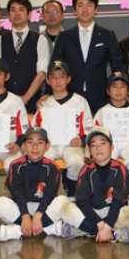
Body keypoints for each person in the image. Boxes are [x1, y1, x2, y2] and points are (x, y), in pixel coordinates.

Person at [49, 0, 125, 114]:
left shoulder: (107, 35)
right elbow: (55, 66)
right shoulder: (64, 37)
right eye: (80, 5)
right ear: (74, 10)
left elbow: (118, 65)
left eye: (89, 5)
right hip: (70, 97)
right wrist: (48, 93)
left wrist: (122, 91)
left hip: (100, 97)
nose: (85, 9)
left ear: (96, 9)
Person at [60, 127, 129, 243]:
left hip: (113, 211)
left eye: (103, 143)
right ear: (89, 151)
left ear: (112, 147)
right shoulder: (86, 169)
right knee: (66, 209)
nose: (98, 148)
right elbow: (81, 200)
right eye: (93, 145)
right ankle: (115, 233)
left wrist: (107, 225)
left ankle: (86, 230)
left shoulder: (119, 169)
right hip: (92, 212)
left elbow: (118, 200)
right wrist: (100, 224)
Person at [0, 126, 71, 241]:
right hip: (21, 208)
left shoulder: (52, 167)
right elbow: (17, 193)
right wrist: (25, 216)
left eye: (40, 142)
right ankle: (48, 229)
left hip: (44, 209)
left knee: (64, 201)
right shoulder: (15, 165)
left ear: (47, 146)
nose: (35, 146)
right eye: (30, 142)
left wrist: (38, 216)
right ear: (23, 146)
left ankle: (17, 231)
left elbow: (49, 194)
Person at [33, 60, 92, 197]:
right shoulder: (44, 103)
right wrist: (40, 142)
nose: (58, 80)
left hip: (71, 145)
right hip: (50, 146)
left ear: (68, 79)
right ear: (48, 81)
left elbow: (89, 127)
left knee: (76, 161)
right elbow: (34, 128)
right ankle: (46, 195)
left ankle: (71, 193)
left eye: (62, 76)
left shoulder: (80, 101)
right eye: (53, 77)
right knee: (40, 161)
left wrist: (82, 140)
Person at [93, 72, 129, 207]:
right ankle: (107, 192)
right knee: (103, 160)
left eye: (123, 86)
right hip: (109, 145)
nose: (118, 90)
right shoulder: (102, 112)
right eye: (114, 86)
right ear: (108, 91)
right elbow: (94, 134)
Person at [0, 0, 49, 114]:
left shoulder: (40, 40)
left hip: (32, 103)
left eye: (21, 9)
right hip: (4, 103)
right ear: (9, 15)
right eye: (13, 10)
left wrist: (25, 98)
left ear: (29, 14)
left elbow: (42, 73)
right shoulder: (0, 41)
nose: (17, 13)